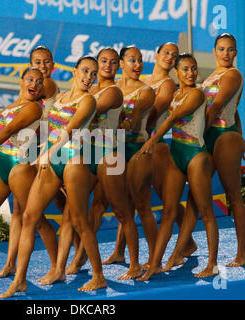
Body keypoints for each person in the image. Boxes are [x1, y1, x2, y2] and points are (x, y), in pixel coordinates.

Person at [0, 56, 106, 298]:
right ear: (75, 70)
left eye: (93, 74)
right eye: (85, 71)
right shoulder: (60, 97)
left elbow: (70, 130)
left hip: (74, 160)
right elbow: (47, 124)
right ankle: (20, 280)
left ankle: (98, 276)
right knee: (29, 217)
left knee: (79, 221)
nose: (88, 77)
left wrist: (47, 153)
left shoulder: (88, 100)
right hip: (52, 159)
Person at [104, 43, 197, 268]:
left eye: (174, 56)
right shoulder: (142, 79)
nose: (169, 57)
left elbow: (152, 115)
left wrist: (137, 131)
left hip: (153, 145)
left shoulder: (167, 84)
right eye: (166, 53)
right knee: (132, 197)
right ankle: (119, 250)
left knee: (166, 198)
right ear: (156, 55)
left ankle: (186, 242)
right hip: (135, 142)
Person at [54, 48, 142, 281]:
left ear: (118, 67)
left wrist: (64, 112)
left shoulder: (113, 92)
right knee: (72, 213)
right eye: (103, 61)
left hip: (108, 155)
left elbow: (87, 114)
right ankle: (64, 266)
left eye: (114, 63)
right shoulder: (89, 88)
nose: (108, 66)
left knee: (122, 212)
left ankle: (134, 264)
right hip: (86, 153)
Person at [0, 68, 57, 288]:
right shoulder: (16, 103)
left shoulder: (34, 108)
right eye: (30, 80)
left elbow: (9, 130)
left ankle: (56, 267)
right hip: (1, 163)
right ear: (21, 82)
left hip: (20, 166)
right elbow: (4, 116)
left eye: (39, 82)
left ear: (42, 87)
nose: (34, 84)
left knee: (36, 221)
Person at [163, 33, 245, 270]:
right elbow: (236, 109)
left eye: (230, 50)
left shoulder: (233, 75)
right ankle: (177, 253)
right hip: (208, 136)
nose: (226, 54)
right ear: (214, 51)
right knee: (194, 199)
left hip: (220, 137)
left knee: (233, 196)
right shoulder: (212, 76)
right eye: (221, 49)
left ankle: (241, 254)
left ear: (236, 53)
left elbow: (219, 107)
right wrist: (242, 134)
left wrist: (199, 136)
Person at [137, 53, 219, 280]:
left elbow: (172, 119)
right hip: (177, 154)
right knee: (168, 212)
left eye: (193, 69)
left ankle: (212, 263)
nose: (191, 73)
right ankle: (155, 264)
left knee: (206, 212)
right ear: (176, 73)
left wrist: (152, 141)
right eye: (185, 69)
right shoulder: (175, 94)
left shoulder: (197, 94)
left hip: (195, 156)